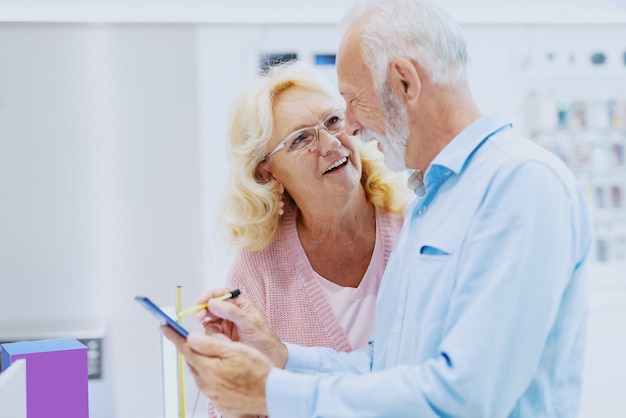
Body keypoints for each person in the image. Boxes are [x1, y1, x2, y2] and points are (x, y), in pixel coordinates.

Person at [162, 1, 594, 417]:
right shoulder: (432, 203)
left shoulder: (519, 186)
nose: (349, 127)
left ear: (405, 82)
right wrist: (283, 358)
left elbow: (465, 397)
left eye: (352, 102)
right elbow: (389, 368)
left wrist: (273, 391)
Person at [206, 61, 409, 417]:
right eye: (301, 138)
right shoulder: (259, 268)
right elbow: (230, 404)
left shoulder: (415, 229)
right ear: (266, 172)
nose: (331, 143)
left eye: (333, 120)